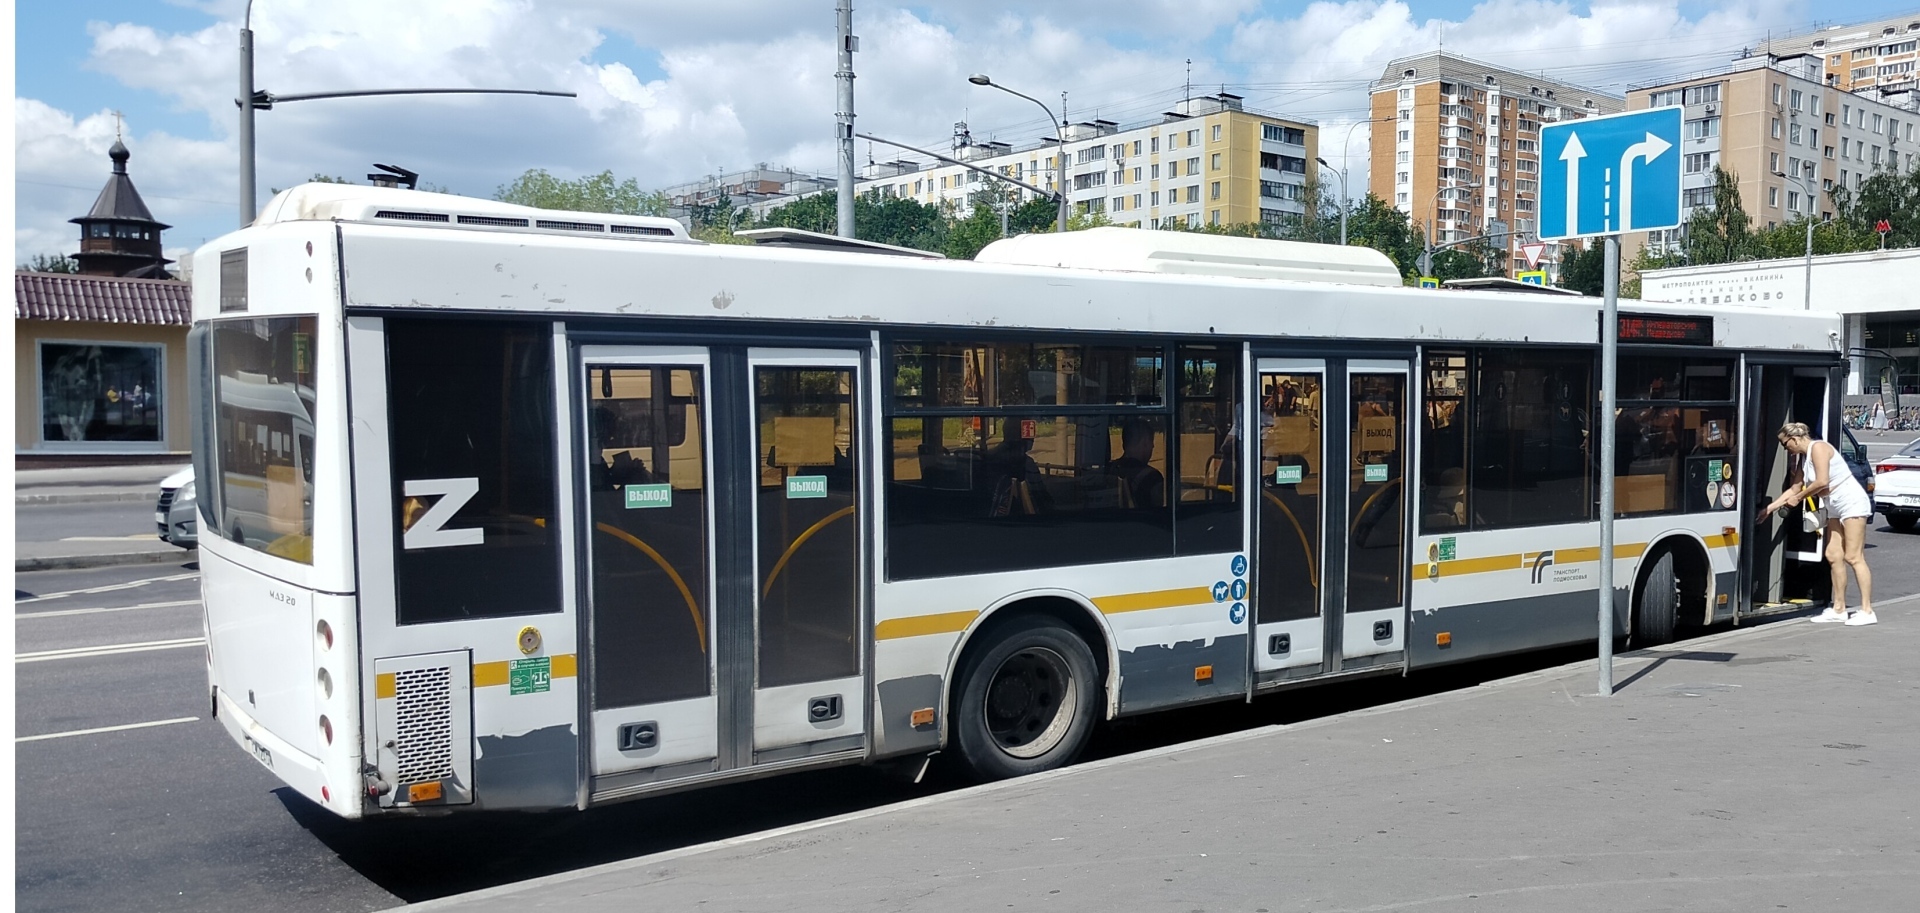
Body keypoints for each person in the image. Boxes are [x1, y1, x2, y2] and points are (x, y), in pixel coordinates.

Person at [1760, 422, 1876, 625]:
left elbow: (1822, 481)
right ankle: (1839, 608)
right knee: (1832, 554)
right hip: (1833, 505)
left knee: (1853, 556)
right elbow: (1794, 489)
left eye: (1785, 444)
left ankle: (1867, 610)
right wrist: (1770, 509)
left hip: (1851, 502)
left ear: (1794, 439)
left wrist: (1801, 497)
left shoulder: (1819, 448)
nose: (1786, 449)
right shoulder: (1803, 460)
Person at [1105, 419, 1165, 508]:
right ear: (1145, 442)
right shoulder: (1152, 477)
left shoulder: (1108, 470)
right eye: (1151, 442)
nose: (1153, 446)